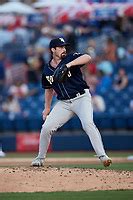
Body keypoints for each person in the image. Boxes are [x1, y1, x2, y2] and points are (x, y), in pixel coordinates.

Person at [31, 37, 112, 167]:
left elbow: (87, 57)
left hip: (81, 98)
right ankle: (40, 158)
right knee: (46, 128)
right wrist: (47, 108)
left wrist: (68, 65)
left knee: (88, 124)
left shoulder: (70, 58)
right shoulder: (47, 70)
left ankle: (103, 156)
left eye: (64, 47)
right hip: (64, 103)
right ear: (53, 49)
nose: (64, 49)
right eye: (61, 47)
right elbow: (49, 89)